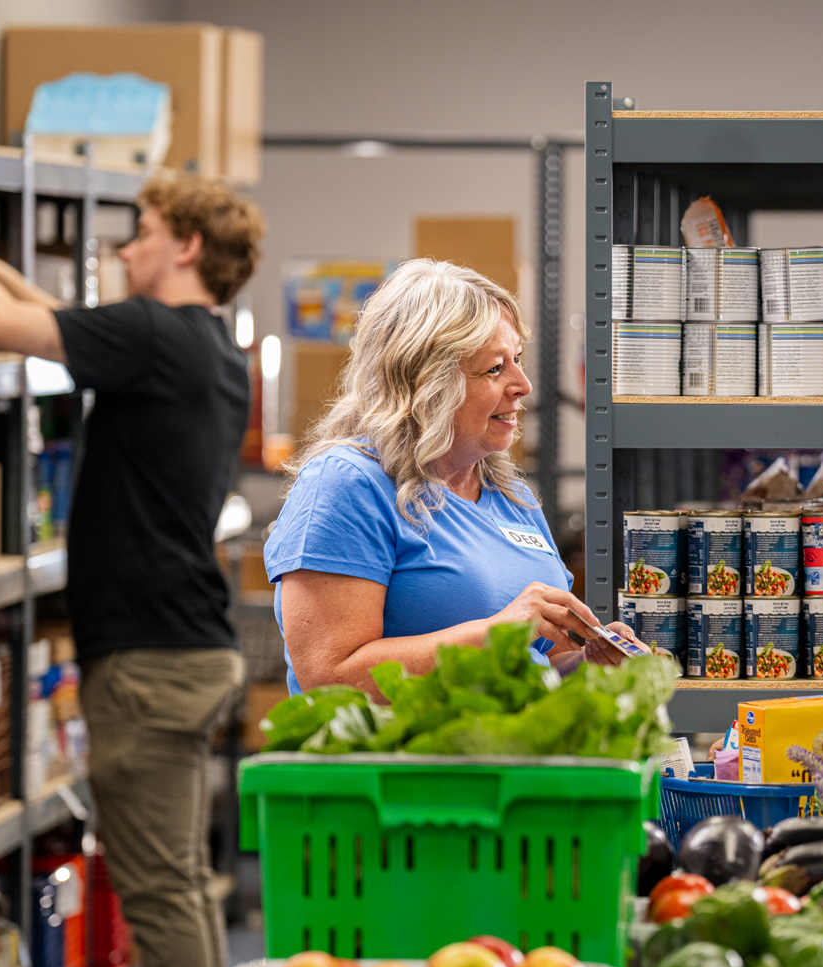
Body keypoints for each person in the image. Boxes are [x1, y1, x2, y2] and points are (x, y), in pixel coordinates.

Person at [0, 172, 264, 967]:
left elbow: (2, 323)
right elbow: (47, 311)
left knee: (162, 890)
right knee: (178, 883)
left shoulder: (154, 334)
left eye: (140, 233)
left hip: (150, 660)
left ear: (182, 248)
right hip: (184, 647)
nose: (124, 249)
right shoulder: (200, 347)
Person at [266, 258, 643, 696]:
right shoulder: (346, 486)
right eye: (495, 368)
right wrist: (493, 634)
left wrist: (588, 663)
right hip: (398, 763)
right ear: (426, 382)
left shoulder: (511, 495)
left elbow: (537, 660)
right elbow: (328, 680)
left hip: (508, 759)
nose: (523, 384)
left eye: (517, 359)